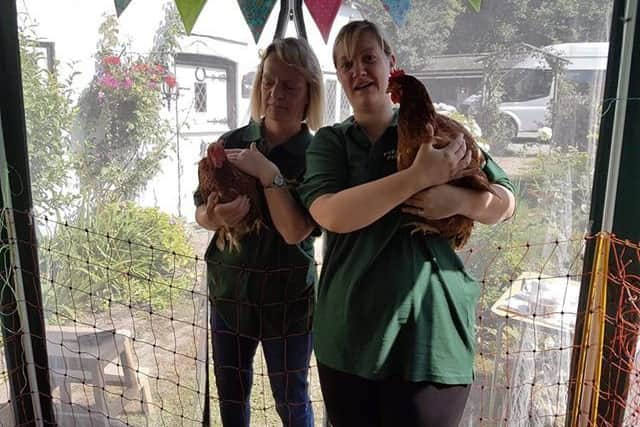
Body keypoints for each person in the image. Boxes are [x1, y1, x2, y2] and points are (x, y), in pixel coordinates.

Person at [298, 20, 516, 427]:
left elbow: (505, 201)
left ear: (390, 63)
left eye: (368, 58)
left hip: (432, 335)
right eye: (346, 64)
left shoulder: (442, 129)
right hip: (352, 335)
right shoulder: (332, 142)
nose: (358, 70)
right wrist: (417, 178)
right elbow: (330, 214)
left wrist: (458, 200)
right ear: (339, 77)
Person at [194, 37, 324, 427]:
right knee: (231, 401)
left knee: (292, 401)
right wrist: (216, 217)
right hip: (230, 293)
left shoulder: (318, 154)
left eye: (289, 85)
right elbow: (200, 210)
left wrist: (268, 173)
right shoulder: (231, 143)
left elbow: (297, 231)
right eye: (268, 81)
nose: (275, 93)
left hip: (289, 300)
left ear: (308, 94)